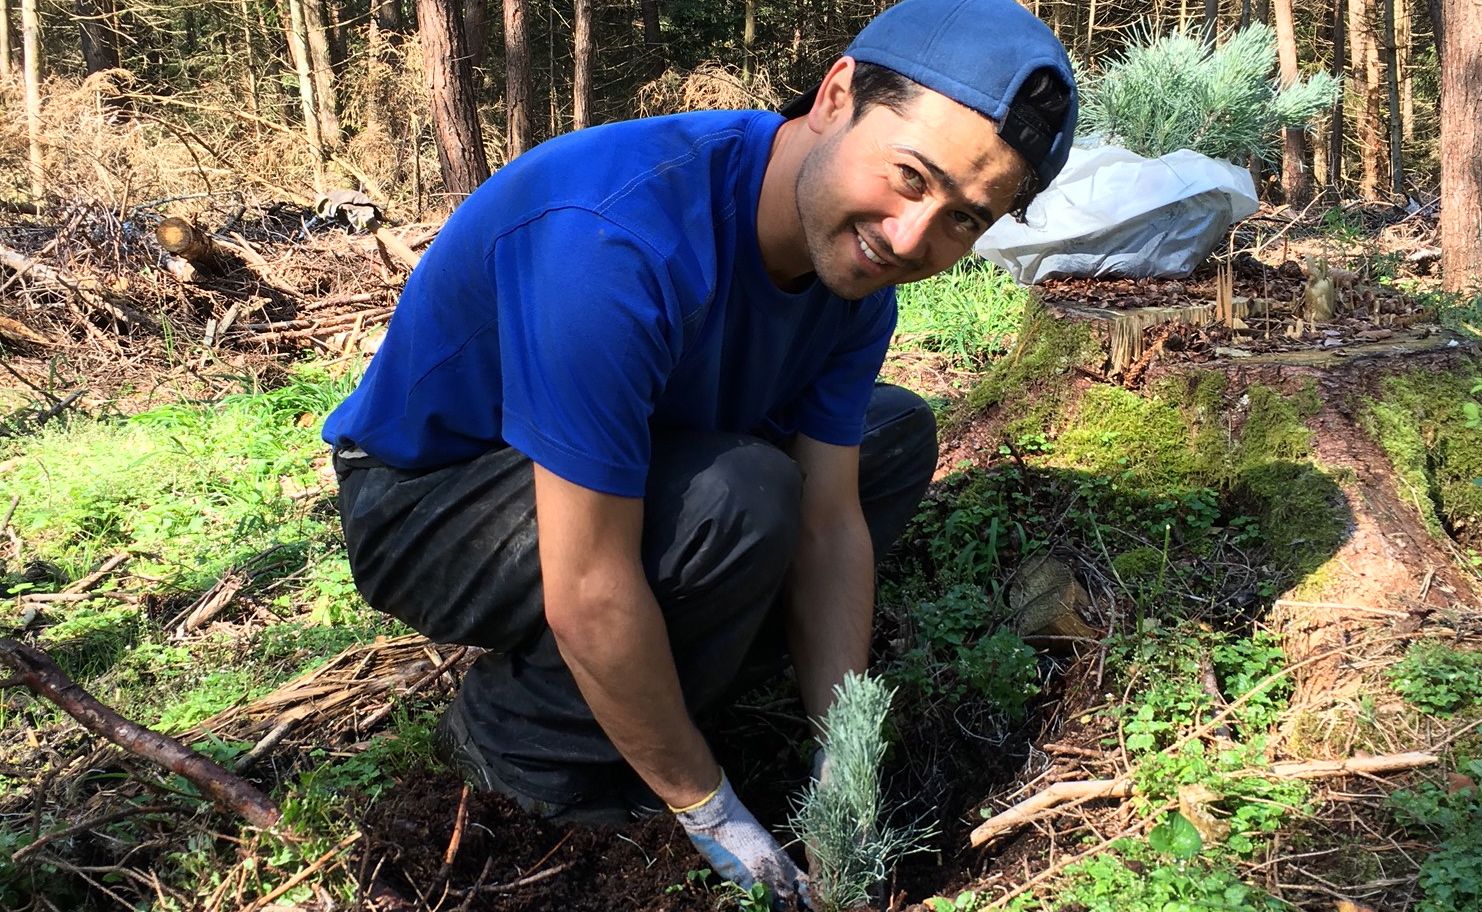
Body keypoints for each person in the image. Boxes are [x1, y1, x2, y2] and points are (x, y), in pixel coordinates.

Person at [321, 0, 1076, 905]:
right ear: (837, 95)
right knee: (745, 496)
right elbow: (590, 581)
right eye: (911, 177)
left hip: (640, 465)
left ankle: (682, 667)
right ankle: (527, 740)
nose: (911, 238)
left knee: (888, 439)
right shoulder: (614, 238)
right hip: (433, 501)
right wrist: (708, 807)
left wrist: (843, 751)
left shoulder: (855, 280)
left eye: (965, 218)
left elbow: (832, 522)